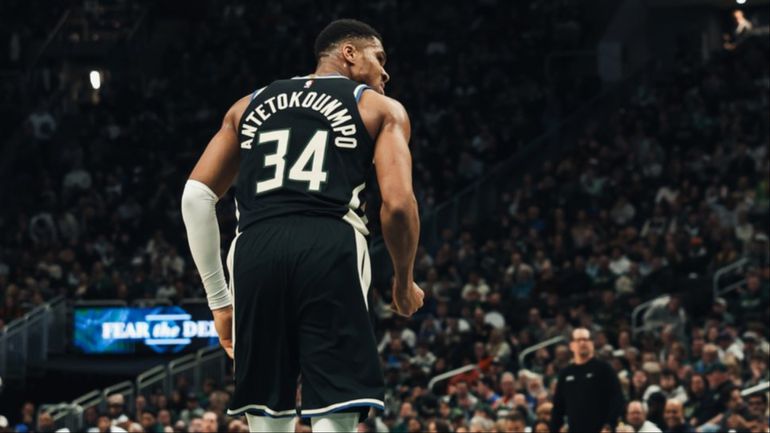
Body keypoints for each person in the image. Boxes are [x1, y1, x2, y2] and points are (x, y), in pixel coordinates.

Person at [182, 18, 423, 433]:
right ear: (349, 53)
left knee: (266, 413)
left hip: (254, 248)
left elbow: (194, 198)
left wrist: (220, 303)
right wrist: (403, 282)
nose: (386, 72)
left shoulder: (246, 105)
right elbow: (399, 206)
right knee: (335, 405)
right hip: (330, 242)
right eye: (379, 58)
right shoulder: (379, 108)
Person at [550, 328, 625, 433]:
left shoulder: (604, 369)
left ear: (592, 343)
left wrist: (609, 425)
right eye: (578, 340)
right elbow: (558, 407)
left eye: (586, 339)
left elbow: (617, 399)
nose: (582, 343)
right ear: (571, 345)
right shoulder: (565, 373)